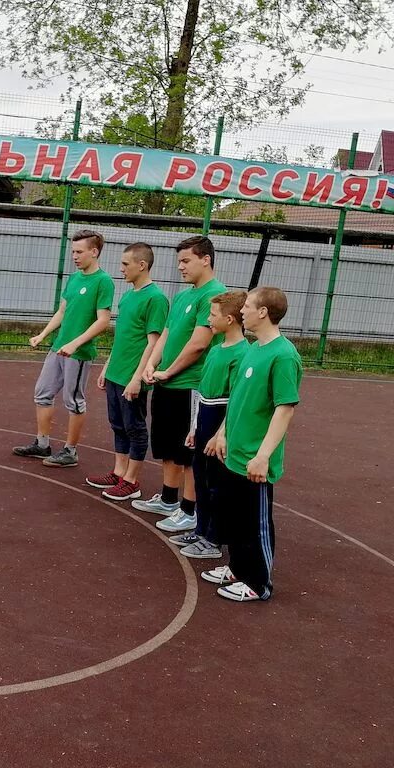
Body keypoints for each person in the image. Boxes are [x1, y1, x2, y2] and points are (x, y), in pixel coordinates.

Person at [201, 287, 302, 601]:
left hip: (254, 459)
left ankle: (259, 583)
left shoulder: (284, 356)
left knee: (255, 524)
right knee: (236, 518)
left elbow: (284, 410)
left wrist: (263, 456)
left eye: (248, 306)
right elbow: (239, 401)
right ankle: (238, 568)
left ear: (263, 312)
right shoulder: (254, 348)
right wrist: (223, 434)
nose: (242, 310)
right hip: (235, 452)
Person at [132, 235, 226, 530]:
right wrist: (151, 364)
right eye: (179, 262)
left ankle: (189, 510)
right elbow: (168, 334)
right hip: (167, 382)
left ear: (205, 259)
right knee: (167, 444)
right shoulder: (183, 295)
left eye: (186, 261)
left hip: (191, 385)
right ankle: (169, 499)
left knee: (188, 452)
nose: (181, 268)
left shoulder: (214, 295)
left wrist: (169, 370)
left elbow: (199, 343)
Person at [12, 230, 114, 468]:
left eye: (79, 252)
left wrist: (75, 343)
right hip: (58, 348)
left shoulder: (103, 281)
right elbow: (62, 311)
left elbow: (103, 320)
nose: (75, 257)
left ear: (94, 252)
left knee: (74, 401)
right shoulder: (74, 278)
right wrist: (43, 334)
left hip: (78, 354)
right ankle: (42, 443)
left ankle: (70, 451)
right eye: (73, 252)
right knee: (42, 393)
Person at [169, 290, 248, 556]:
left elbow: (236, 398)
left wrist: (221, 434)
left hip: (220, 421)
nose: (209, 320)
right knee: (201, 478)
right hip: (204, 417)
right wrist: (193, 427)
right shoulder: (216, 350)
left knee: (216, 483)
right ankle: (201, 529)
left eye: (213, 316)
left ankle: (214, 540)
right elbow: (202, 392)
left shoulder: (242, 354)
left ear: (230, 319)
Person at [87, 242, 168, 500]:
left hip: (132, 377)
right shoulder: (128, 295)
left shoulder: (155, 298)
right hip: (116, 373)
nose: (121, 269)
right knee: (117, 425)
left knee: (134, 428)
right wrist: (107, 367)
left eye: (125, 264)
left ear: (141, 265)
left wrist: (136, 378)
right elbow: (123, 337)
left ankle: (132, 482)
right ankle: (119, 472)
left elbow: (153, 343)